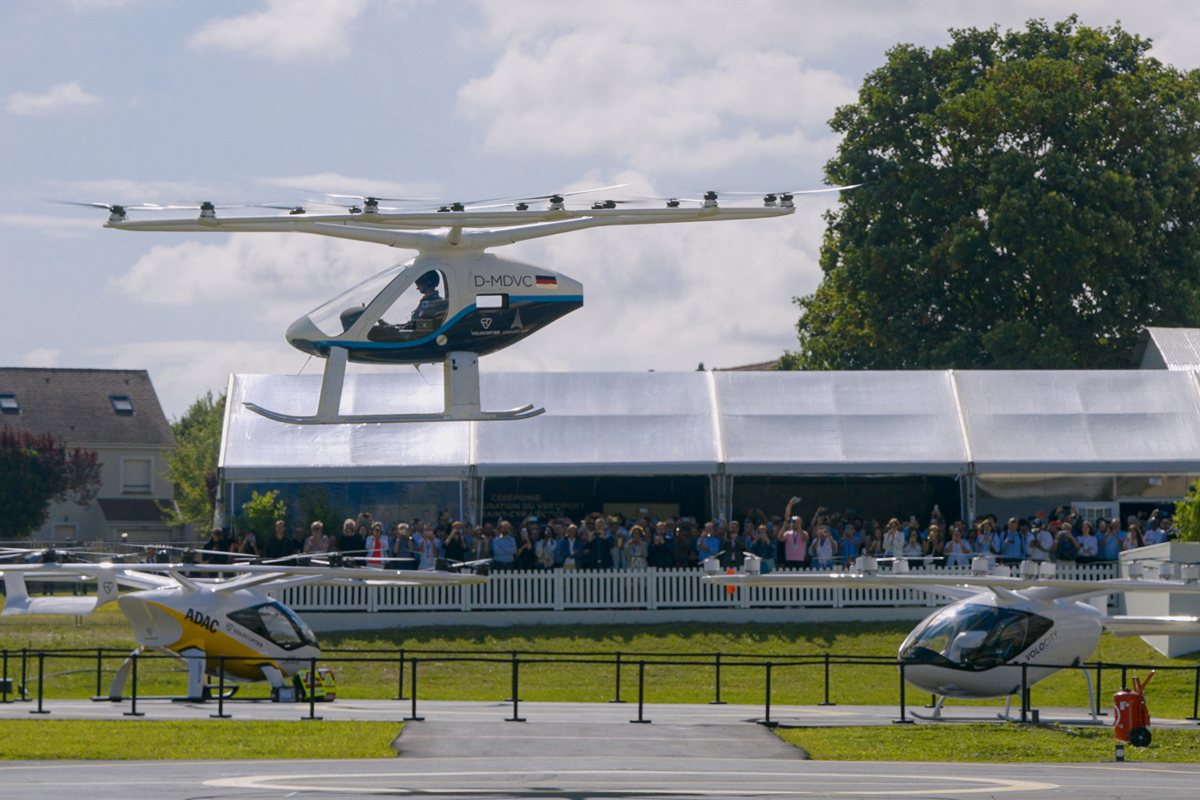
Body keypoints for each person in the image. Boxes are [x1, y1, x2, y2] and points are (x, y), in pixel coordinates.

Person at [778, 497, 808, 569]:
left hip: (800, 560)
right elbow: (780, 538)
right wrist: (785, 524)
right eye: (794, 522)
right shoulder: (788, 533)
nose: (795, 523)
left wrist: (799, 526)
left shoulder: (804, 532)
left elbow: (805, 538)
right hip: (789, 560)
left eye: (797, 522)